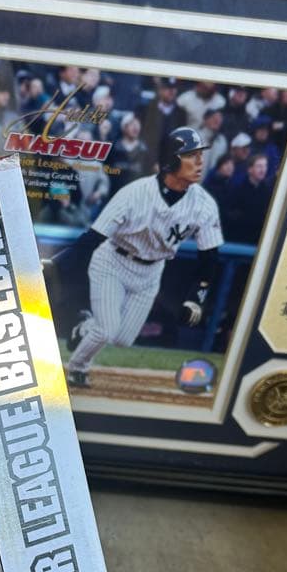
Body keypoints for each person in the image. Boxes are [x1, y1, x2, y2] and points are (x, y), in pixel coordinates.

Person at [65, 127, 223, 388]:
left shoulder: (205, 204)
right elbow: (92, 238)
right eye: (191, 155)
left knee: (122, 339)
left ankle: (84, 327)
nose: (200, 161)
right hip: (113, 262)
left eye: (200, 155)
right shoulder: (134, 193)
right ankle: (78, 368)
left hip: (151, 272)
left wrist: (197, 297)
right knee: (107, 329)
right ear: (171, 159)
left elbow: (210, 257)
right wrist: (59, 266)